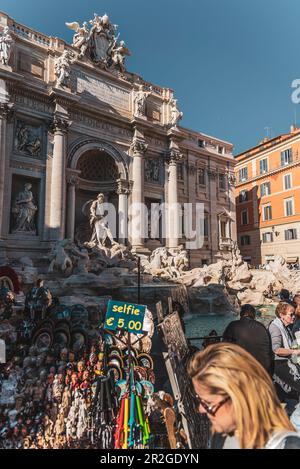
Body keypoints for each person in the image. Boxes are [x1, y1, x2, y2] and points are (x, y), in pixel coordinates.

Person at [188, 343, 300, 449]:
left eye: (208, 403)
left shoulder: (286, 445)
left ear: (238, 399)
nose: (201, 409)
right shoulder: (220, 434)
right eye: (199, 399)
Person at [222, 304, 273, 374]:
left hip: (242, 370)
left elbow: (224, 347)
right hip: (263, 370)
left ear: (241, 314)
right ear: (254, 315)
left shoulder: (233, 325)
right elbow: (269, 350)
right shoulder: (262, 327)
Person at [269, 302, 300, 404]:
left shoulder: (286, 327)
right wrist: (295, 351)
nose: (294, 317)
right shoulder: (275, 328)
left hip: (287, 362)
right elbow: (276, 349)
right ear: (282, 315)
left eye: (294, 314)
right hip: (279, 364)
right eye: (291, 314)